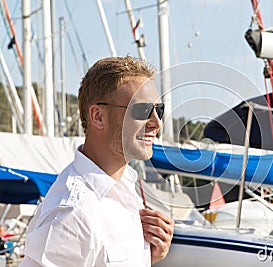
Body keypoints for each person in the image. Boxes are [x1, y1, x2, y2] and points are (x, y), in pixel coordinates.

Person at [19, 56, 174, 266]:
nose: (156, 123)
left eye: (159, 110)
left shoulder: (124, 188)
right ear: (98, 116)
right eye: (143, 110)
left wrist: (148, 256)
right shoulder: (72, 213)